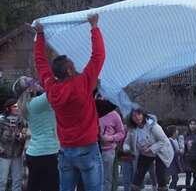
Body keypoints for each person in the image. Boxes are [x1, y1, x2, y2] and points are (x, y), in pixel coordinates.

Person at [33, 14, 105, 191]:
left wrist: (40, 36)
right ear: (70, 70)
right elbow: (98, 56)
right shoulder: (82, 84)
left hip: (65, 151)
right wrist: (94, 27)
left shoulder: (51, 87)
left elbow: (40, 63)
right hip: (87, 148)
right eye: (73, 64)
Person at [13, 76, 59, 191]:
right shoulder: (37, 103)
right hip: (47, 153)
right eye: (31, 81)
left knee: (34, 187)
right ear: (28, 89)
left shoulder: (28, 104)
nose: (35, 81)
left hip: (35, 153)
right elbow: (55, 90)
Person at [124, 108, 173, 191]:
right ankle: (135, 188)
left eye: (139, 114)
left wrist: (150, 149)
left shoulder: (152, 125)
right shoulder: (132, 128)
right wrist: (126, 149)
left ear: (143, 115)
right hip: (145, 153)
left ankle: (162, 188)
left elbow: (163, 140)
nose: (137, 117)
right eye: (134, 115)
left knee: (160, 173)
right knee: (139, 173)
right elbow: (127, 142)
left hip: (161, 151)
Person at [0, 99, 27, 191]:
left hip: (17, 154)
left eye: (17, 106)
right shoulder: (1, 120)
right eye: (14, 106)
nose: (17, 108)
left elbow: (25, 135)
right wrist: (1, 149)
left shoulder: (21, 120)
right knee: (2, 180)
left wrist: (20, 136)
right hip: (4, 154)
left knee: (17, 180)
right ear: (8, 108)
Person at [99, 107, 125, 191]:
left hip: (108, 150)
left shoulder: (114, 115)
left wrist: (110, 138)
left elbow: (121, 133)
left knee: (107, 177)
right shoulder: (92, 112)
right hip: (93, 149)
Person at [184, 119, 196, 190]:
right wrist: (186, 143)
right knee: (188, 175)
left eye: (194, 124)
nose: (192, 126)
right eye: (191, 124)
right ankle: (187, 189)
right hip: (188, 158)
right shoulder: (186, 134)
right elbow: (183, 146)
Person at [165, 125, 184, 190]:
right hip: (171, 163)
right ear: (173, 132)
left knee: (175, 177)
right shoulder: (169, 141)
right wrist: (179, 151)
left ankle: (173, 188)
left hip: (175, 162)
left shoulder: (175, 140)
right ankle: (171, 188)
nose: (178, 131)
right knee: (175, 177)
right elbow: (171, 152)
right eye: (176, 130)